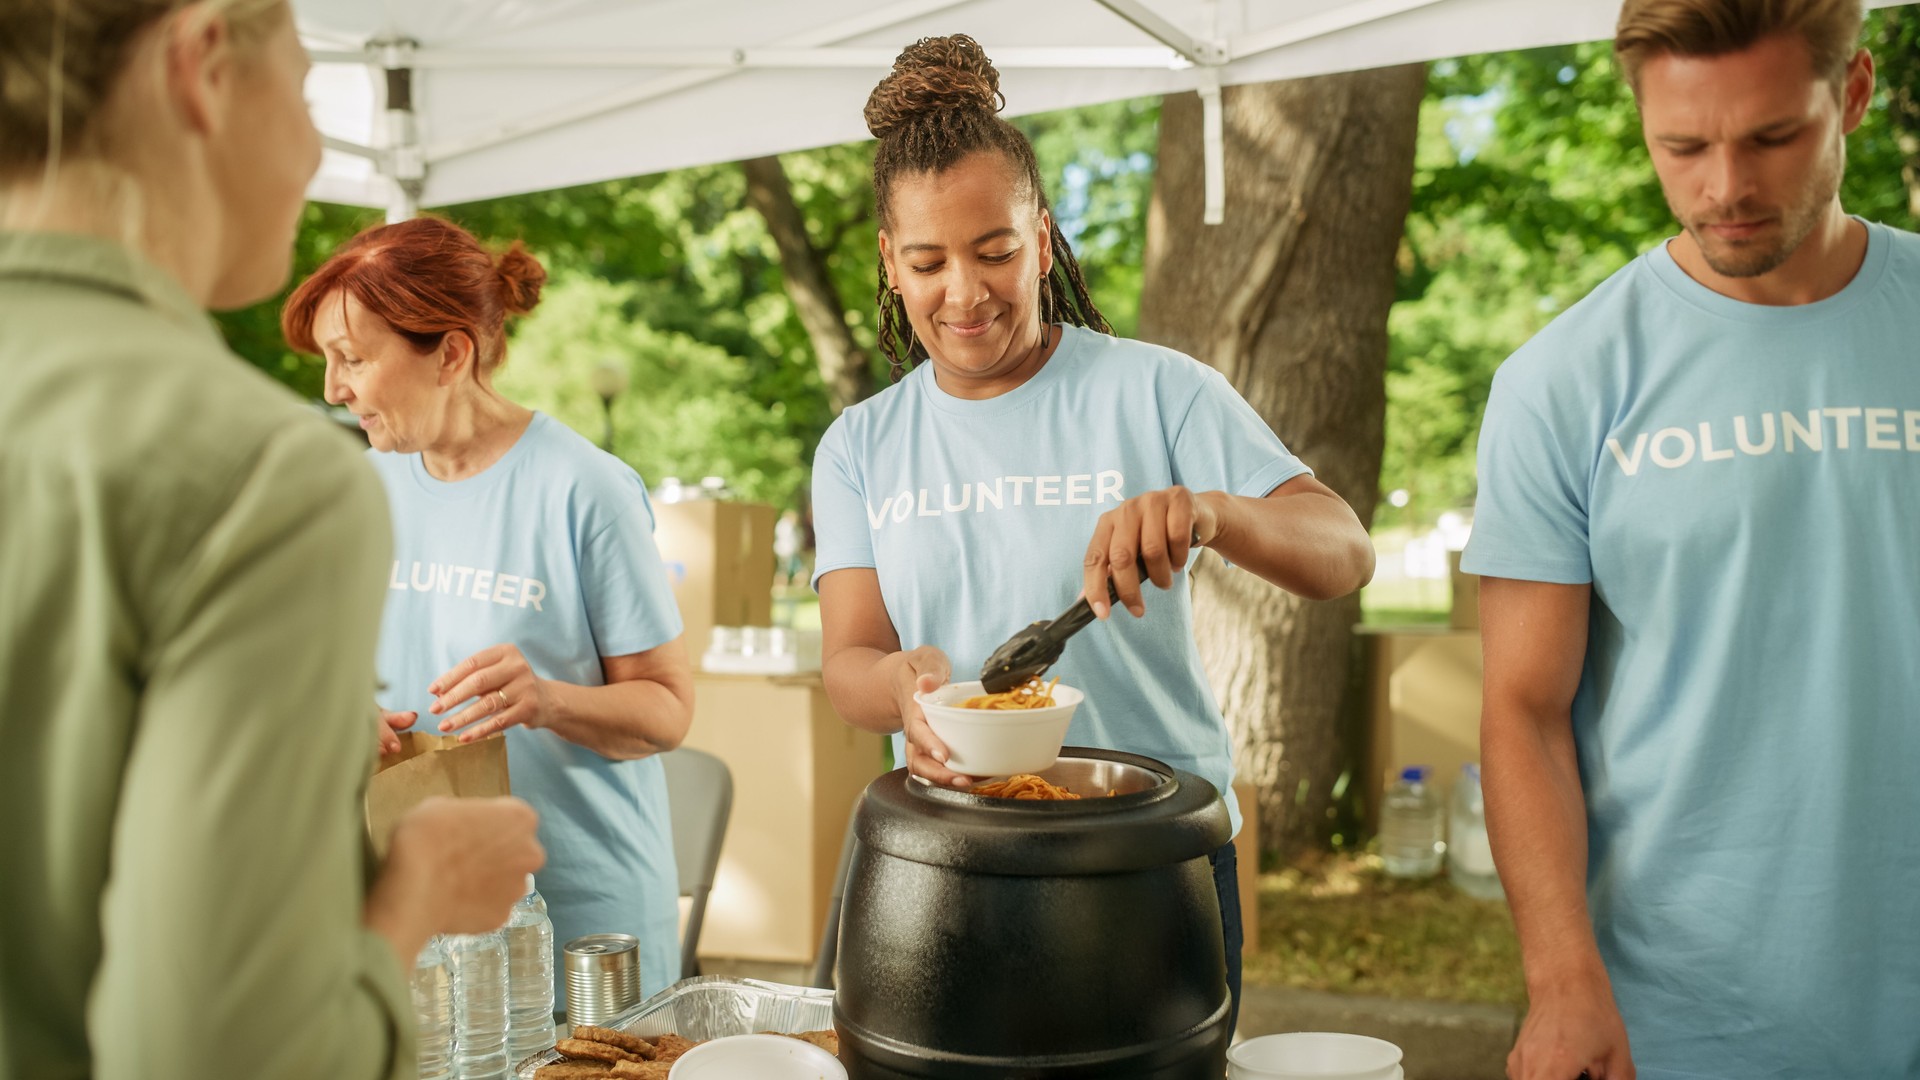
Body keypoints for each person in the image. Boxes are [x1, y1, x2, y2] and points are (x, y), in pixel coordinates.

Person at [0, 3, 545, 1078]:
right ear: (201, 64)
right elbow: (222, 1055)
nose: (310, 151)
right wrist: (413, 896)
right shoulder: (260, 476)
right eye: (303, 95)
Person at [810, 35, 1376, 1039]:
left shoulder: (1157, 391)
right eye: (931, 261)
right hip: (949, 864)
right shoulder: (861, 445)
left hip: (1153, 863)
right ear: (890, 267)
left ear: (1043, 237)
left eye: (995, 250)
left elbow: (1343, 550)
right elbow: (850, 660)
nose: (967, 293)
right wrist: (902, 687)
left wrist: (1215, 512)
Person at [1462, 2, 1920, 1077]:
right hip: (1682, 1017)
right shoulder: (1560, 382)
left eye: (1772, 138)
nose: (1726, 187)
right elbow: (1525, 709)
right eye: (1684, 147)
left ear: (1849, 93)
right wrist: (1563, 981)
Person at [283, 216, 696, 1001]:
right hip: (425, 927)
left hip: (582, 935)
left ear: (450, 353)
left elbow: (668, 710)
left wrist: (546, 699)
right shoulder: (367, 487)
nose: (334, 389)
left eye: (353, 359)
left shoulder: (587, 489)